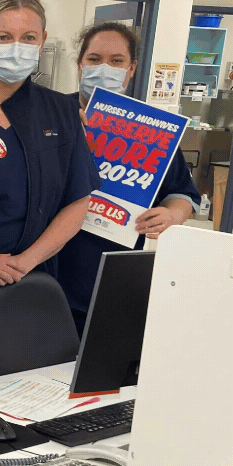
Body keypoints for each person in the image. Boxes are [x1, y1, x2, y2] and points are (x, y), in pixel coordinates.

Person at [0, 0, 101, 383]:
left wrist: (23, 263)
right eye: (4, 37)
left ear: (42, 41)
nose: (17, 47)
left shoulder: (61, 113)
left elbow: (78, 201)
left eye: (28, 38)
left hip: (28, 282)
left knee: (19, 396)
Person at [56, 22, 200, 335]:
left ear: (131, 69)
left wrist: (172, 214)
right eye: (94, 59)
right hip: (50, 275)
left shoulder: (150, 129)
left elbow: (183, 194)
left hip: (114, 277)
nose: (104, 68)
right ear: (80, 65)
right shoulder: (52, 115)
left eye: (116, 60)